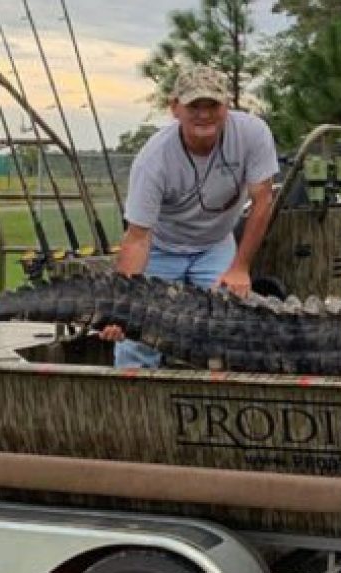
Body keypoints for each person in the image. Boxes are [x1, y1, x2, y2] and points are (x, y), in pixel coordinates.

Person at [103, 65, 278, 368]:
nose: (204, 114)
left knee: (230, 326)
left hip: (215, 244)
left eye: (213, 105)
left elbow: (262, 201)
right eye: (194, 105)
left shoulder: (252, 134)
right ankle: (135, 408)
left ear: (227, 106)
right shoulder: (153, 160)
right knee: (137, 334)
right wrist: (122, 303)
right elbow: (137, 237)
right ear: (175, 108)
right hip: (161, 247)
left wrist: (240, 268)